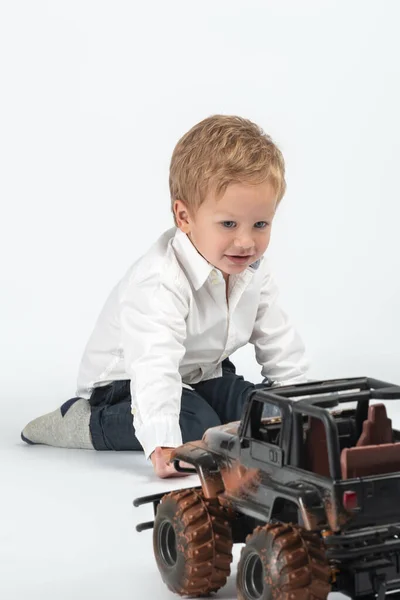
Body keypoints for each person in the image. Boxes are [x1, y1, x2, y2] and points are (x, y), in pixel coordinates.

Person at [21, 114, 309, 478]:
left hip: (199, 373)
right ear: (184, 216)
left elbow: (278, 338)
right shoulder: (160, 280)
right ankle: (84, 423)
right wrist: (162, 441)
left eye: (260, 224)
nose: (246, 241)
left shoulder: (253, 270)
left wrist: (299, 403)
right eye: (229, 224)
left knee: (257, 412)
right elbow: (154, 364)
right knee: (195, 426)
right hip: (126, 383)